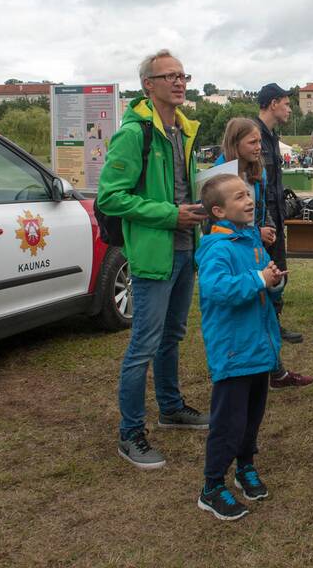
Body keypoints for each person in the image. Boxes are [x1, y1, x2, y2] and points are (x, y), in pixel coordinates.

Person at [98, 49, 210, 470]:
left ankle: (171, 408)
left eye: (183, 75)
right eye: (170, 76)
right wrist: (170, 214)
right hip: (152, 254)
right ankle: (130, 433)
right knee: (143, 344)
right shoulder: (135, 132)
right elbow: (110, 196)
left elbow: (180, 189)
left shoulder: (183, 129)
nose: (180, 83)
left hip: (185, 249)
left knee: (172, 336)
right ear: (149, 84)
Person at [195, 173, 285, 520]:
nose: (248, 201)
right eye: (238, 197)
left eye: (247, 194)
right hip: (233, 353)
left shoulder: (251, 241)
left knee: (251, 418)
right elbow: (219, 290)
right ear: (218, 211)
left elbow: (263, 279)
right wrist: (258, 279)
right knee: (228, 423)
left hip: (258, 350)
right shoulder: (217, 249)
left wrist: (272, 281)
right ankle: (212, 485)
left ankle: (245, 466)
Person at [215, 118, 313, 389]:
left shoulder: (258, 170)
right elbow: (215, 222)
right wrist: (254, 232)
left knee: (267, 308)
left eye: (260, 141)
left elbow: (263, 206)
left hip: (256, 249)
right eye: (253, 142)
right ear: (236, 144)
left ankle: (274, 372)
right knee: (247, 311)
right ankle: (249, 375)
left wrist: (267, 226)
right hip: (235, 252)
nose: (260, 147)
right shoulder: (220, 175)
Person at [256, 83, 304, 344]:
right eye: (286, 104)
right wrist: (258, 225)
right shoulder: (252, 134)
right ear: (273, 103)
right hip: (260, 222)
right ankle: (265, 327)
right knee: (264, 272)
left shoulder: (272, 137)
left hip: (274, 217)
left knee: (278, 271)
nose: (289, 109)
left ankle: (273, 324)